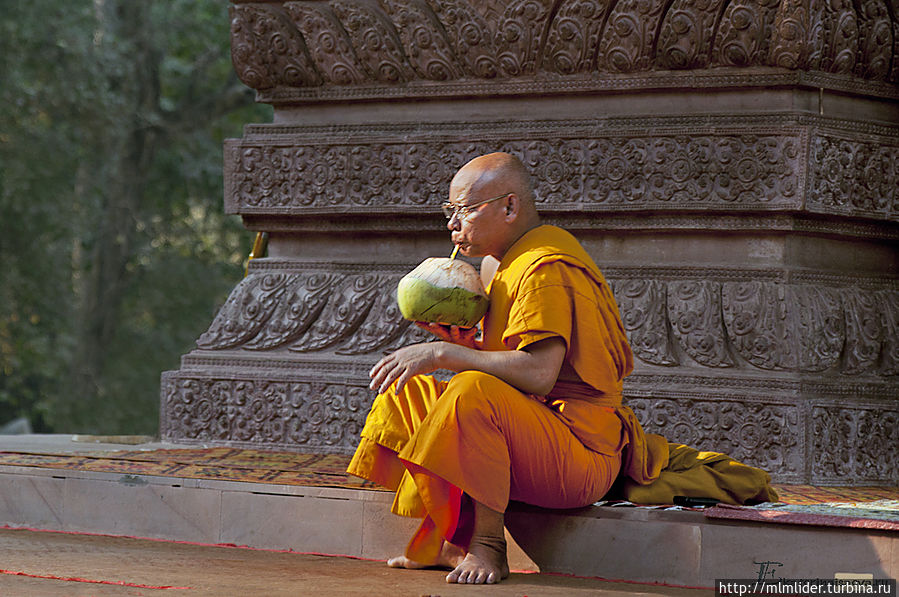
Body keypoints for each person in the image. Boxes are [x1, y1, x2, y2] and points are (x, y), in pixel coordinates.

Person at [347, 152, 777, 585]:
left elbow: (539, 375)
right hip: (535, 431)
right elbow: (513, 366)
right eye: (449, 211)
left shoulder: (544, 267)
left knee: (468, 390)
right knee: (407, 393)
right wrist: (467, 345)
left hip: (579, 452)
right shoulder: (498, 264)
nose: (451, 225)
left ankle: (489, 546)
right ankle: (448, 541)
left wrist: (441, 356)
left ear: (509, 207)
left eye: (463, 210)